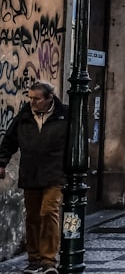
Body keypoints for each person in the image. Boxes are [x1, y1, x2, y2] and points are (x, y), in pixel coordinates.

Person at [0, 82, 68, 274]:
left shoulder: (65, 115)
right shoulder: (25, 115)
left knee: (48, 212)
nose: (32, 102)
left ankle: (48, 260)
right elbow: (10, 139)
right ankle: (34, 259)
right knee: (32, 216)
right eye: (30, 98)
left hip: (55, 173)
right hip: (31, 172)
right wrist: (2, 162)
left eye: (36, 99)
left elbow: (74, 142)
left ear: (49, 99)